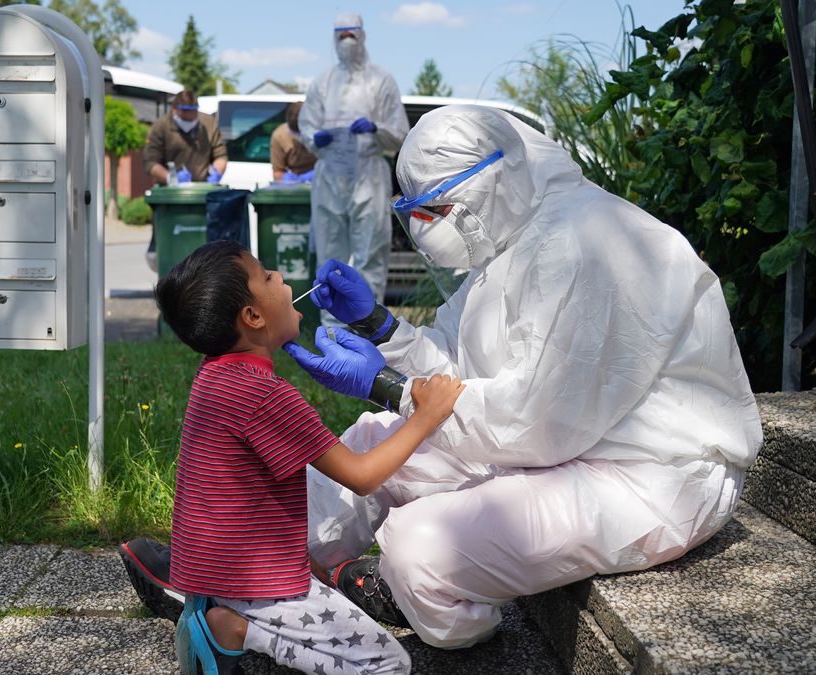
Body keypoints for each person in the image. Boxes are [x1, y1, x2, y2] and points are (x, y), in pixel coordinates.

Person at [122, 105, 763, 650]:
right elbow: (459, 364)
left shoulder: (584, 248)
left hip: (650, 475)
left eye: (434, 210)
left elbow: (533, 423)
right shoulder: (512, 238)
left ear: (491, 185)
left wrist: (390, 388)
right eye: (415, 210)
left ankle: (462, 631)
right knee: (372, 440)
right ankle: (245, 579)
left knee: (421, 548)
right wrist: (382, 329)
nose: (424, 227)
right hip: (560, 445)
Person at [152, 239, 463, 674]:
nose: (281, 277)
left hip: (216, 571)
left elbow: (245, 497)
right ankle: (237, 630)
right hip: (257, 586)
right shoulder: (266, 395)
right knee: (389, 665)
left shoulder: (214, 376)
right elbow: (361, 476)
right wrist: (425, 415)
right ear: (253, 317)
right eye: (267, 277)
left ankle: (223, 615)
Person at [299, 12, 408, 319]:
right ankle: (332, 329)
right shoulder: (322, 83)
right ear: (334, 39)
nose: (347, 41)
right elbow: (307, 125)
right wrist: (313, 138)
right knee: (329, 253)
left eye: (352, 35)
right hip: (330, 175)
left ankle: (369, 327)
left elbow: (400, 133)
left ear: (362, 36)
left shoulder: (381, 80)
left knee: (370, 251)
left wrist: (376, 128)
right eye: (341, 35)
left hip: (368, 174)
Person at [142, 90, 228, 271]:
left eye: (193, 112)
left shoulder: (208, 124)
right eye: (186, 114)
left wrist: (217, 173)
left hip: (203, 194)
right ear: (175, 109)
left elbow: (220, 155)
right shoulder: (161, 127)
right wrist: (169, 177)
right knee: (163, 250)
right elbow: (150, 162)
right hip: (171, 198)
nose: (190, 118)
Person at [270, 101, 316, 183]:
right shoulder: (280, 136)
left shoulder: (324, 131)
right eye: (296, 134)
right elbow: (277, 172)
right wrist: (289, 180)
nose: (300, 137)